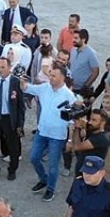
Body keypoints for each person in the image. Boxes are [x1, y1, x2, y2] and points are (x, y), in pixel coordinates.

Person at [23, 64, 77, 202]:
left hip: (57, 136)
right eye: (50, 75)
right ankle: (43, 179)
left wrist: (70, 140)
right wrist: (22, 80)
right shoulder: (45, 87)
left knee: (53, 165)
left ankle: (50, 189)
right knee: (34, 157)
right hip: (42, 131)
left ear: (62, 77)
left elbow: (72, 121)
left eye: (54, 75)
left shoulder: (69, 96)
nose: (50, 78)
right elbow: (27, 88)